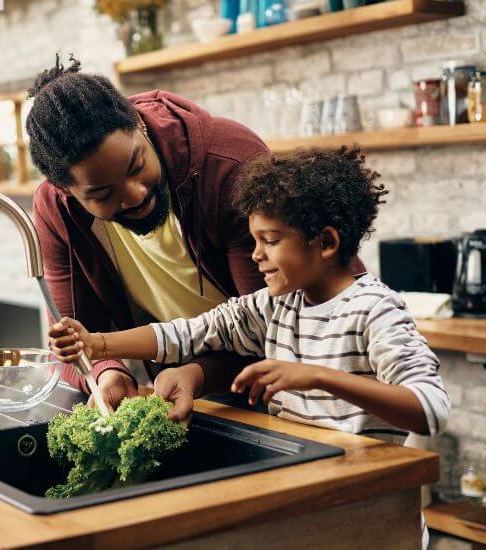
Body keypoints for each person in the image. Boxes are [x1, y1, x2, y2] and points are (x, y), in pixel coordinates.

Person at [49, 146, 450, 444]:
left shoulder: (374, 310)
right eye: (255, 240)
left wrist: (318, 377)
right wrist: (96, 344)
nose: (256, 255)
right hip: (303, 487)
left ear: (326, 242)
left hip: (369, 501)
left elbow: (430, 409)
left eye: (271, 241)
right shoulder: (274, 307)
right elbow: (186, 334)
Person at [29, 54, 316, 408]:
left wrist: (198, 373)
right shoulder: (57, 211)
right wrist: (107, 372)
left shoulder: (229, 168)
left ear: (139, 125)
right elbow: (74, 337)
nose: (134, 195)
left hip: (302, 392)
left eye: (137, 165)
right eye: (103, 193)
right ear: (66, 191)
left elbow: (278, 326)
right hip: (194, 394)